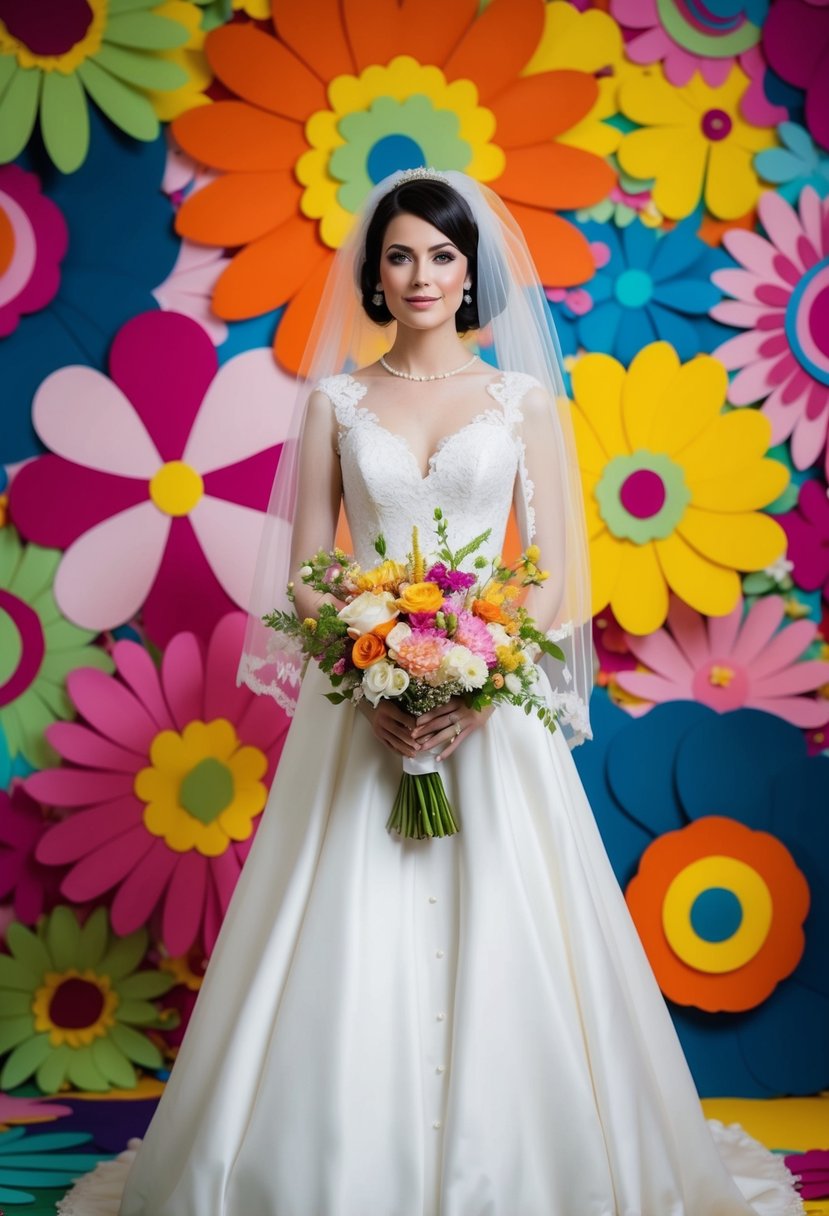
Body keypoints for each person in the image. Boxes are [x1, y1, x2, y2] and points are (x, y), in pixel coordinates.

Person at [57, 170, 803, 1216]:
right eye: (400, 255)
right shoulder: (335, 402)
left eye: (442, 256)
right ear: (374, 273)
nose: (421, 275)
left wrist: (479, 676)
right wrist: (370, 672)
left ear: (470, 274)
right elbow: (313, 566)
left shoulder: (520, 401)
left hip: (487, 711)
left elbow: (551, 573)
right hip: (361, 699)